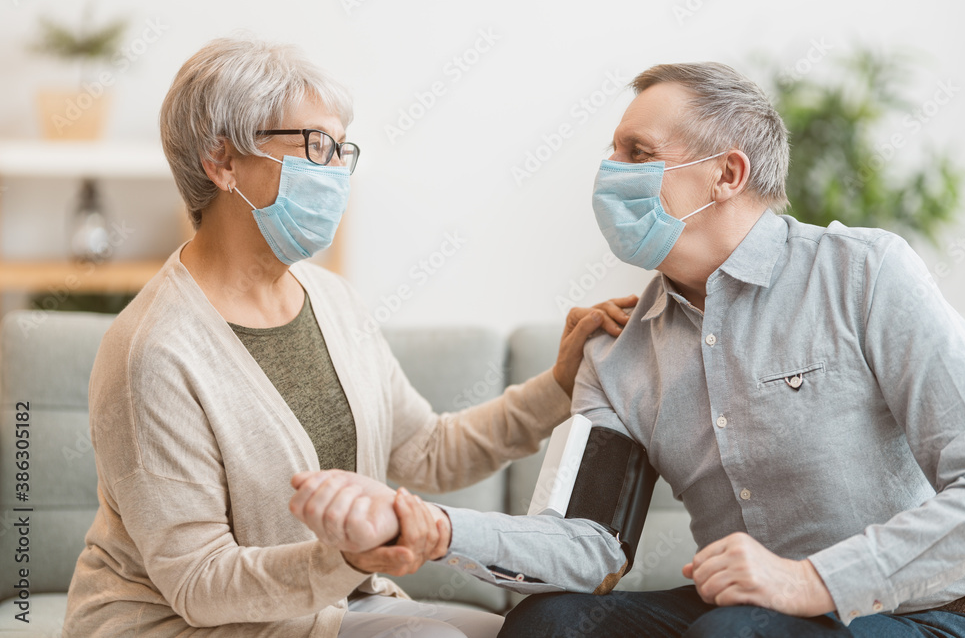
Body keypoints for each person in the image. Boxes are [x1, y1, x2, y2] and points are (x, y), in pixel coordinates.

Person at [292, 62, 965, 637]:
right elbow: (586, 544)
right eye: (612, 153)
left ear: (726, 174)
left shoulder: (863, 272)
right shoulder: (619, 352)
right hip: (749, 615)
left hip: (921, 612)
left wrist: (810, 580)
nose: (611, 173)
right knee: (552, 624)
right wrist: (437, 527)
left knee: (738, 632)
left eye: (638, 154)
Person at [61, 36, 634, 638]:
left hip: (323, 601)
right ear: (222, 161)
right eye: (316, 146)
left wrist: (559, 385)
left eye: (342, 150)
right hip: (182, 622)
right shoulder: (154, 350)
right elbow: (200, 584)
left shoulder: (331, 299)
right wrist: (349, 559)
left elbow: (427, 452)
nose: (337, 171)